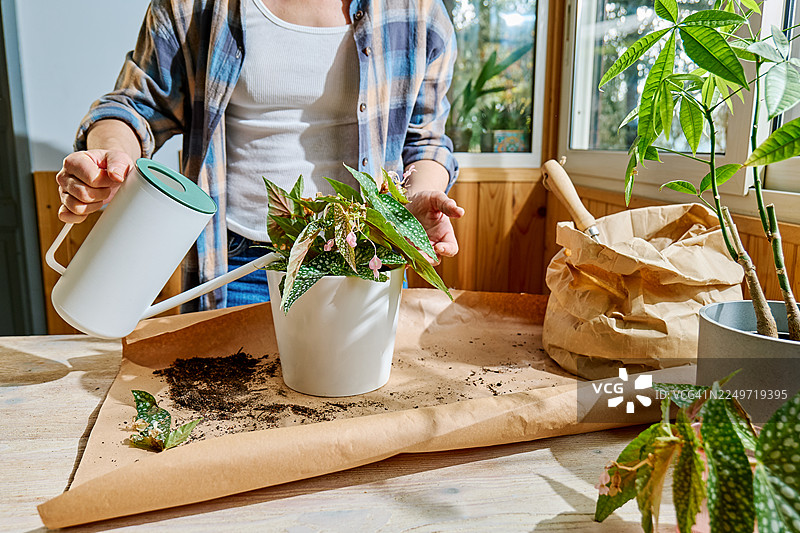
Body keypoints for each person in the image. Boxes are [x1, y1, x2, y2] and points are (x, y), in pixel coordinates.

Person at [55, 0, 463, 310]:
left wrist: (416, 197)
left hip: (367, 260)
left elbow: (424, 141)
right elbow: (135, 106)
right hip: (237, 268)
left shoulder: (418, 10)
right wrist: (109, 155)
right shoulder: (192, 6)